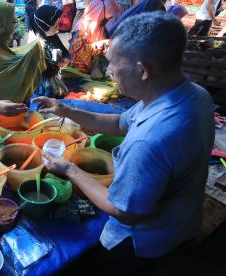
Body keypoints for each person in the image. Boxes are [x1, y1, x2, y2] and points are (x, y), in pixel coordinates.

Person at [34, 12, 214, 275]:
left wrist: (69, 170)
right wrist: (66, 110)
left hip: (144, 242)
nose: (109, 72)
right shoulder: (195, 95)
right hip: (183, 217)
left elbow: (123, 210)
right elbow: (120, 123)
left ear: (142, 71)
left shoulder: (149, 140)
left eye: (113, 65)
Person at [31, 6, 70, 97]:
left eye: (58, 23)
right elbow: (59, 63)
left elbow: (65, 54)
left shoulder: (54, 37)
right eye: (55, 24)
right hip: (45, 82)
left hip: (55, 76)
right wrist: (61, 62)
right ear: (44, 26)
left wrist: (66, 59)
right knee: (48, 99)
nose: (58, 27)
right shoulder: (39, 44)